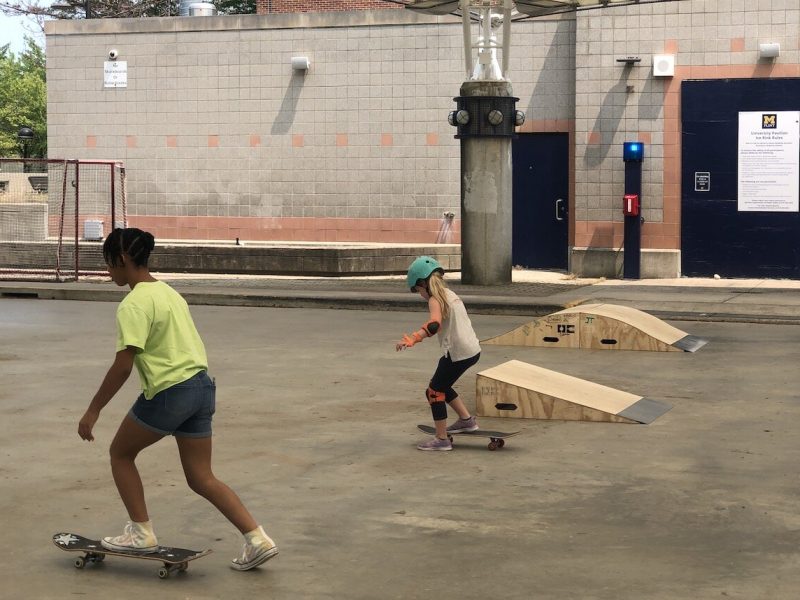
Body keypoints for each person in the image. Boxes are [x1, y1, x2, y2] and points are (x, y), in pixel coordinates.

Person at [77, 227, 278, 571]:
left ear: (122, 260)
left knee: (120, 454)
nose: (107, 272)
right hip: (201, 388)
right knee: (202, 477)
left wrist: (92, 411)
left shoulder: (133, 304)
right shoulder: (169, 293)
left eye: (108, 264)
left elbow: (123, 366)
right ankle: (257, 539)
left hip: (171, 392)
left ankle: (141, 532)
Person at [396, 256, 481, 451]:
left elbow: (434, 324)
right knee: (442, 385)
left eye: (418, 290)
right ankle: (466, 421)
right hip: (472, 350)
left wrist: (414, 338)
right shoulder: (449, 293)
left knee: (434, 392)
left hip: (457, 353)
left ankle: (442, 439)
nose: (420, 294)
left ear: (423, 283)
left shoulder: (436, 299)